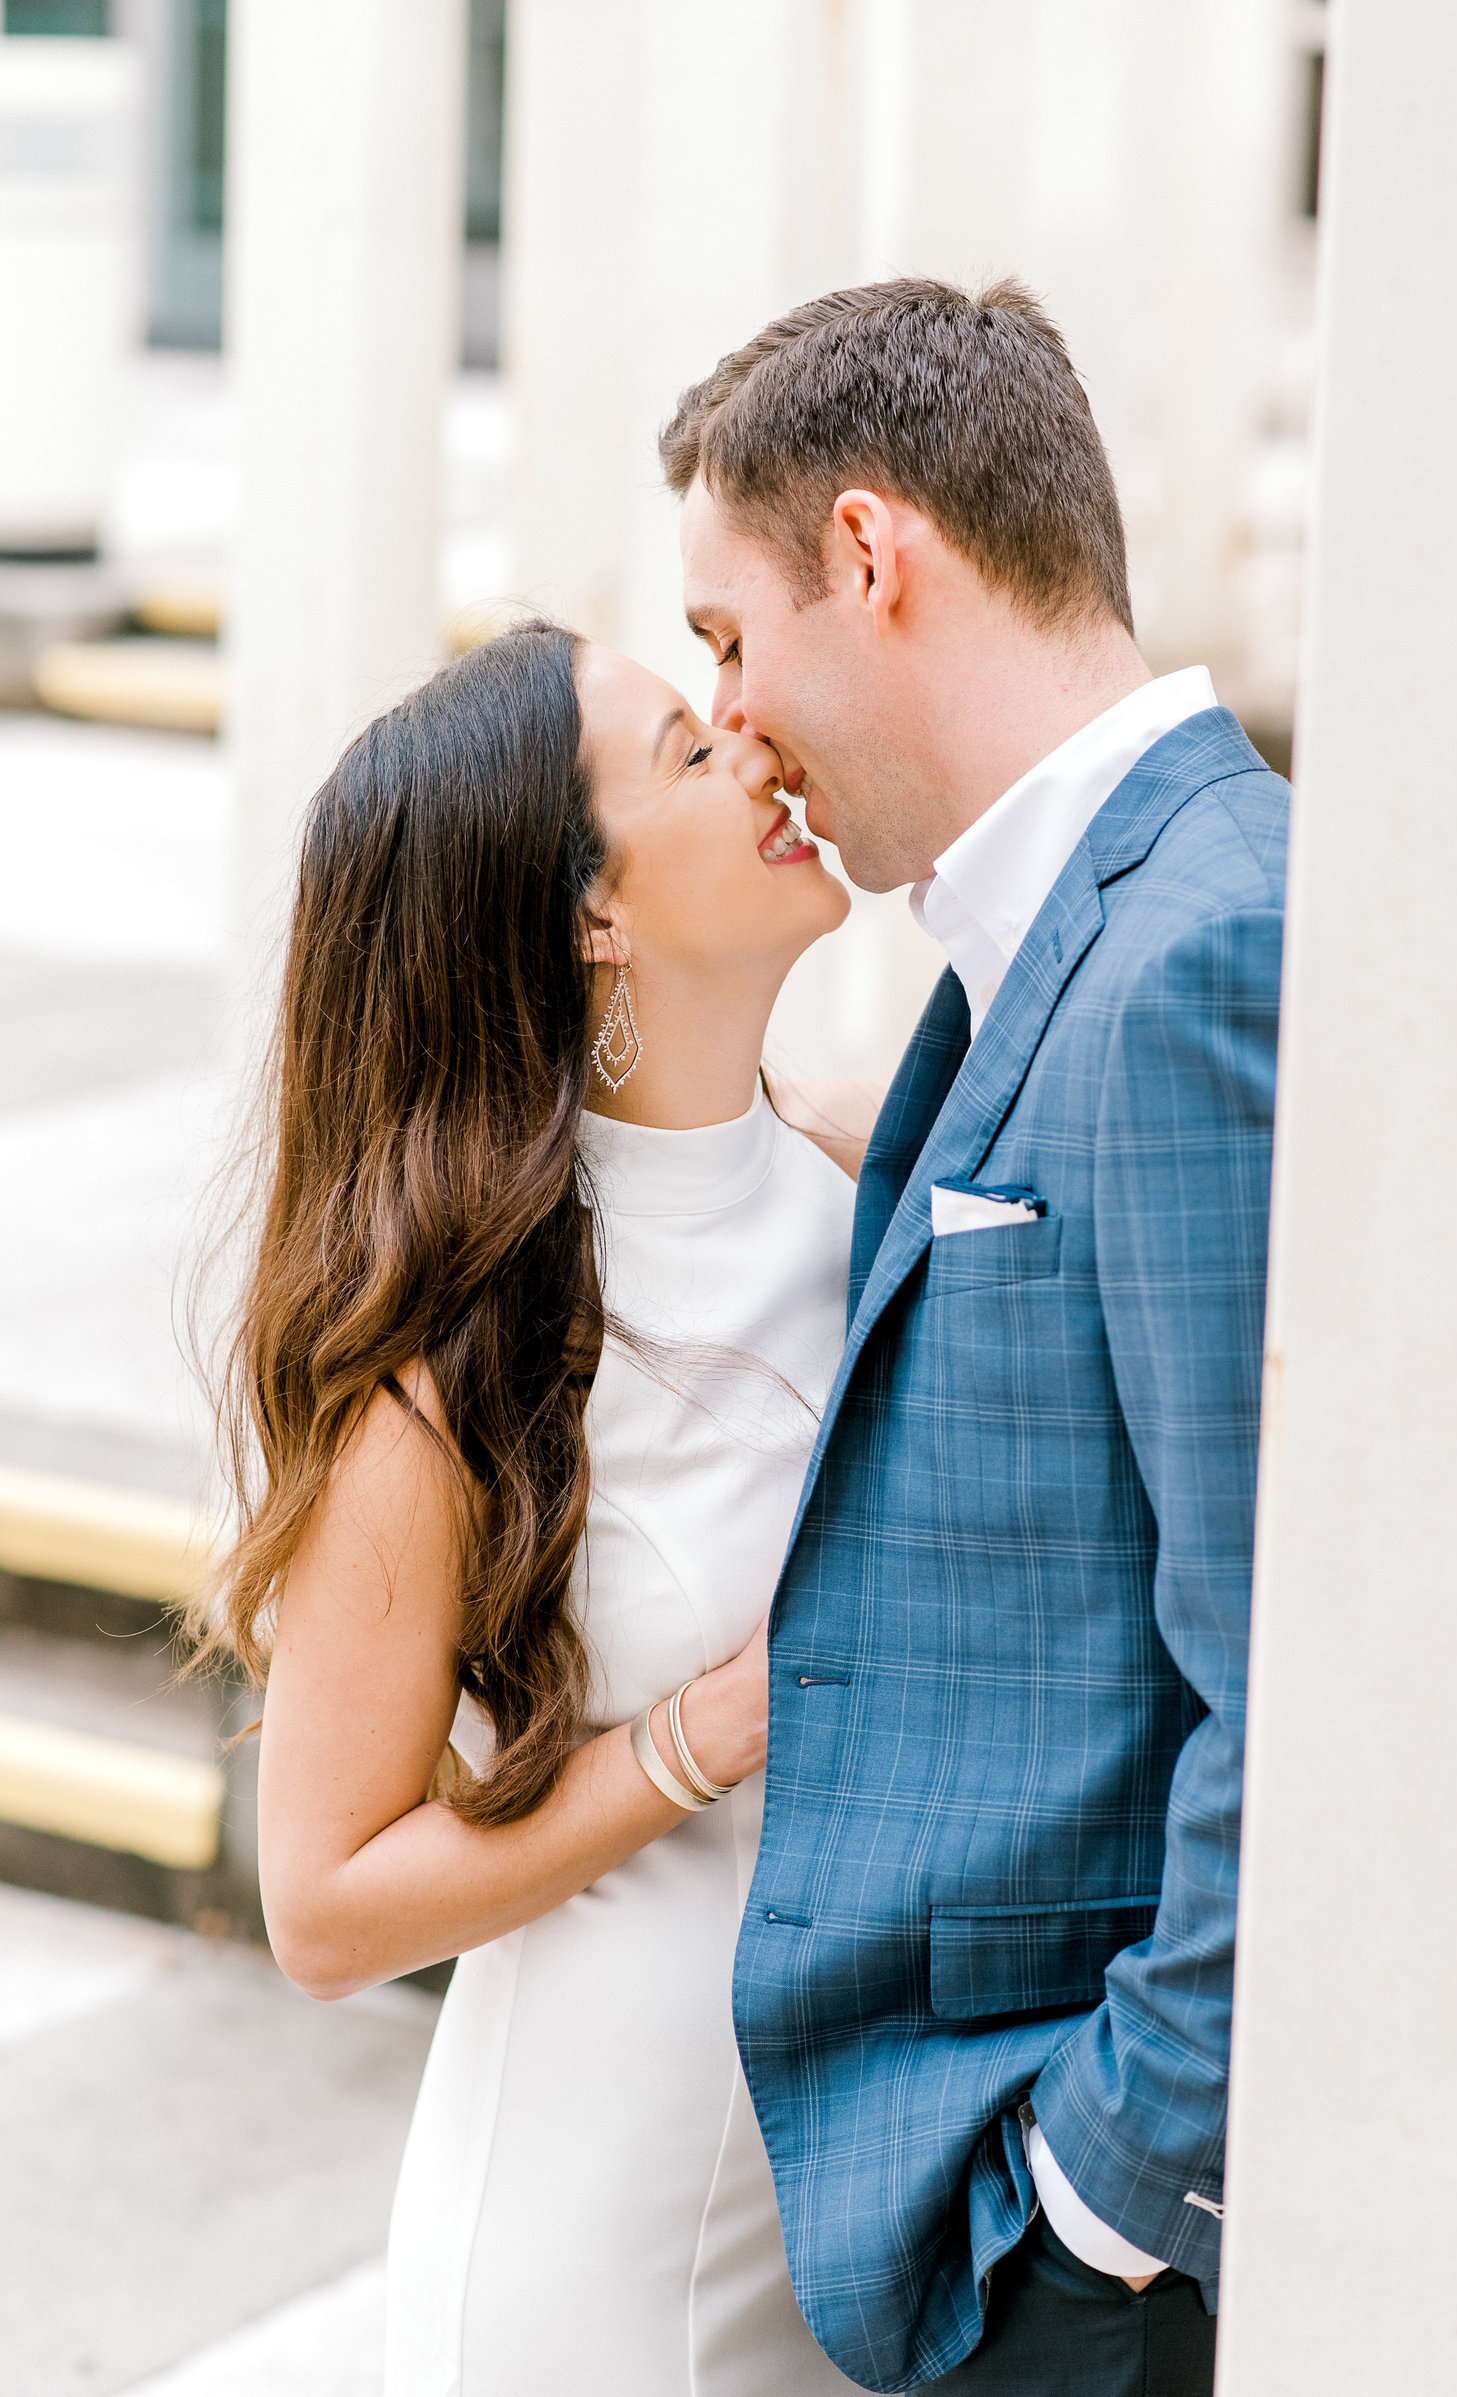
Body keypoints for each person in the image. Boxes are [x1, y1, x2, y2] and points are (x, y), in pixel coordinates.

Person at [663, 277, 1289, 2393]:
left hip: (1099, 2258)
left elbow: (1289, 1667)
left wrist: (1100, 2202)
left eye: (728, 639)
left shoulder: (1204, 946)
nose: (732, 722)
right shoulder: (1049, 944)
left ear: (867, 551)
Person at [190, 622, 873, 2395]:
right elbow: (321, 1904)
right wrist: (691, 1741)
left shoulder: (852, 1176)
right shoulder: (463, 1371)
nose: (753, 745)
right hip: (597, 2255)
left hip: (847, 2204)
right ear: (595, 917)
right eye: (685, 752)